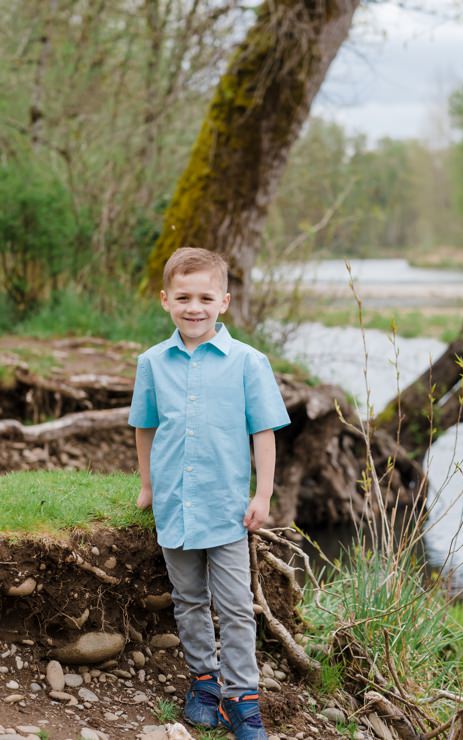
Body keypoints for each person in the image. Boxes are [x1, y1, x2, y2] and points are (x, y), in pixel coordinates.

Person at [128, 247, 289, 739]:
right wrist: (148, 486)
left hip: (226, 508)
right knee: (189, 598)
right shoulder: (152, 362)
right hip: (177, 505)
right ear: (165, 300)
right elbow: (145, 427)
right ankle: (204, 681)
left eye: (204, 297)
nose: (193, 307)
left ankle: (242, 699)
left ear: (224, 301)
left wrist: (262, 495)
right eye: (183, 297)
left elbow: (263, 431)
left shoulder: (248, 362)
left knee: (236, 605)